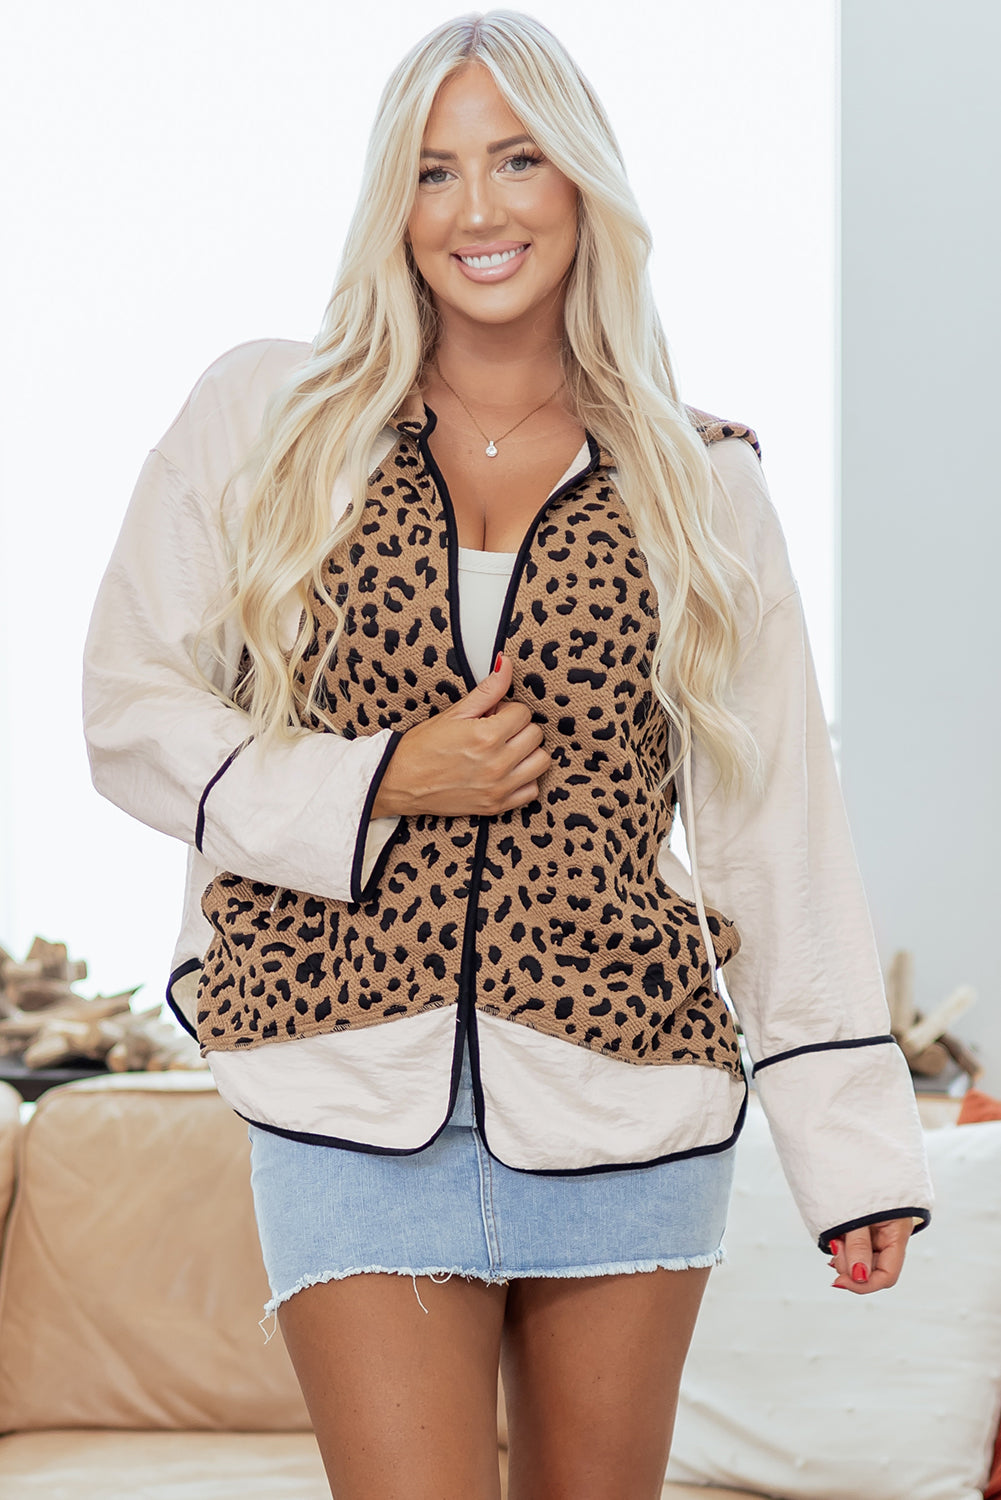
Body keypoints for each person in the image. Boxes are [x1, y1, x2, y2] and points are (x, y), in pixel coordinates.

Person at [83, 11, 933, 1499]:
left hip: (627, 1090)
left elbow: (777, 820)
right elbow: (132, 708)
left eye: (517, 160)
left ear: (583, 184)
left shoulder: (700, 479)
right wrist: (377, 778)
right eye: (431, 171)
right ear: (388, 207)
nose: (476, 210)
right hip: (343, 1079)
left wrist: (849, 1154)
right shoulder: (266, 422)